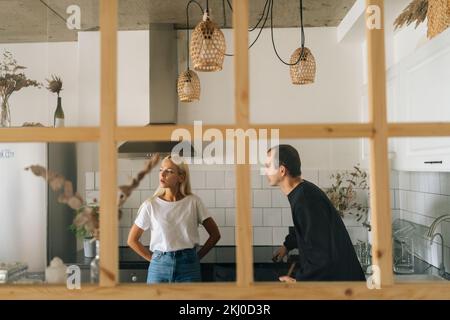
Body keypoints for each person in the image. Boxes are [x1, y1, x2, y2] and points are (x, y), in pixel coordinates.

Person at [265, 145, 365, 282]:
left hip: (343, 287)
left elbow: (321, 255)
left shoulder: (305, 200)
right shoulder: (302, 192)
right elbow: (308, 229)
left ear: (282, 171)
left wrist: (298, 282)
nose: (265, 171)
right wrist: (287, 246)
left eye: (268, 166)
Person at [127, 154, 221, 283]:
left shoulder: (194, 202)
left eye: (169, 171)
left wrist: (196, 258)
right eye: (161, 170)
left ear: (181, 177)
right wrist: (155, 260)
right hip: (159, 268)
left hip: (189, 268)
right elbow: (132, 240)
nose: (162, 174)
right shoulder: (150, 205)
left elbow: (215, 234)